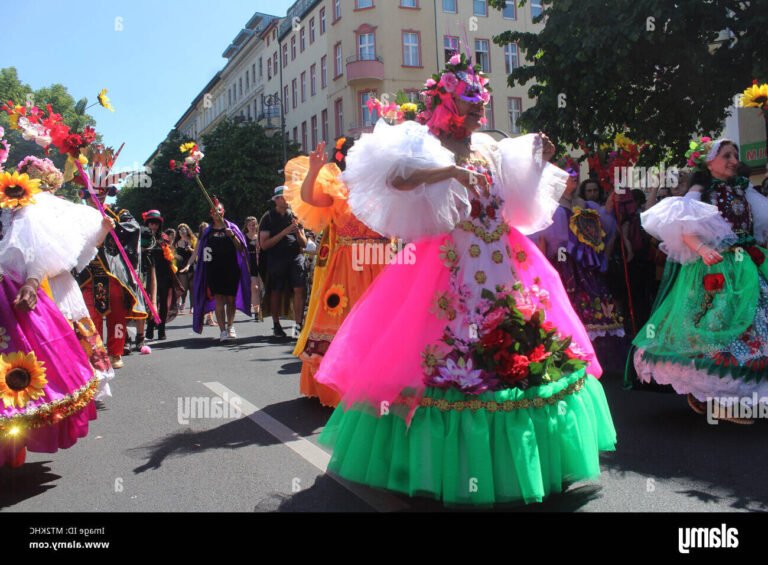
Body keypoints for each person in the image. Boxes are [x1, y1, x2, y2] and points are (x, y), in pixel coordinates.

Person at [313, 54, 616, 505]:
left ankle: (539, 461)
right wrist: (449, 171)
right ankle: (443, 468)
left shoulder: (492, 147)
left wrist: (540, 157)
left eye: (480, 104)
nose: (478, 111)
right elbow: (396, 178)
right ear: (446, 104)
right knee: (443, 356)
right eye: (469, 103)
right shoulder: (425, 144)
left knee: (523, 346)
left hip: (505, 261)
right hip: (446, 267)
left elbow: (519, 199)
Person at [634, 137, 768, 424]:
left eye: (736, 155)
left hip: (746, 266)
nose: (734, 160)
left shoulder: (744, 191)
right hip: (715, 268)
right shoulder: (700, 192)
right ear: (709, 162)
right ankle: (714, 397)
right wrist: (703, 249)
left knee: (755, 326)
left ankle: (738, 397)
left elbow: (761, 222)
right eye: (727, 156)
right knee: (716, 326)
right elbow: (684, 228)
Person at [0, 167, 103, 467]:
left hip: (10, 302)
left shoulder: (15, 202)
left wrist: (31, 284)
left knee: (18, 381)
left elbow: (35, 253)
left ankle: (12, 445)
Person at [284, 137, 391, 406]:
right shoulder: (341, 187)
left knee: (382, 326)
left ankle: (379, 388)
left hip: (383, 264)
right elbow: (309, 197)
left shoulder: (387, 187)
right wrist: (314, 170)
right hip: (347, 269)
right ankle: (340, 387)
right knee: (345, 322)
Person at [535, 161, 626, 372]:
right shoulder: (551, 206)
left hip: (587, 263)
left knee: (597, 303)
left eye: (575, 174)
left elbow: (605, 225)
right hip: (565, 263)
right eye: (568, 175)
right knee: (570, 303)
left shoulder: (586, 204)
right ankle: (568, 353)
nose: (574, 177)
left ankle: (598, 355)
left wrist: (612, 199)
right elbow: (544, 240)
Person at [78, 187, 147, 367]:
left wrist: (115, 227)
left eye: (100, 192)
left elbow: (134, 228)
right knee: (91, 316)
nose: (97, 197)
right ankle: (95, 353)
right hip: (88, 274)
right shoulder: (78, 214)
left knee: (117, 314)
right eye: (93, 193)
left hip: (113, 274)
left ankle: (116, 352)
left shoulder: (118, 212)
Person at [192, 199, 251, 341]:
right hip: (214, 270)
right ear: (210, 214)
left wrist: (232, 236)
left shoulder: (233, 228)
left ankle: (230, 326)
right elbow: (204, 253)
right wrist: (205, 271)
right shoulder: (208, 232)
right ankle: (222, 331)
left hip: (231, 268)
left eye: (219, 210)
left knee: (231, 300)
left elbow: (242, 249)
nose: (217, 213)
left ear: (223, 211)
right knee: (219, 300)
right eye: (214, 211)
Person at [259, 187, 308, 337]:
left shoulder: (294, 216)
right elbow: (264, 244)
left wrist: (298, 232)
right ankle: (276, 325)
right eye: (285, 197)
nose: (288, 199)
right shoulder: (268, 218)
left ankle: (298, 326)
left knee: (299, 289)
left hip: (295, 257)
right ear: (276, 200)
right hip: (276, 258)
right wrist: (284, 232)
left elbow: (304, 243)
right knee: (276, 291)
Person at [142, 210, 177, 341]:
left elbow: (169, 256)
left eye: (156, 224)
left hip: (163, 274)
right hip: (148, 274)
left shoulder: (164, 238)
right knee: (151, 302)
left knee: (163, 303)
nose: (153, 226)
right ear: (147, 224)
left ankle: (161, 329)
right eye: (151, 223)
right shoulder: (142, 237)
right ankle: (150, 327)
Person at [243, 216, 264, 322]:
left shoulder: (260, 236)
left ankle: (261, 309)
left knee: (261, 288)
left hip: (261, 263)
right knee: (254, 288)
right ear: (246, 226)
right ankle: (256, 312)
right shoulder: (243, 237)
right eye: (250, 225)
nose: (252, 227)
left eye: (254, 224)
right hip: (249, 264)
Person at [173, 223, 197, 313]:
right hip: (181, 266)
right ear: (178, 232)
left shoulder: (193, 240)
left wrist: (190, 249)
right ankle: (183, 302)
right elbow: (171, 253)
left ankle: (192, 306)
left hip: (191, 265)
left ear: (187, 231)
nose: (182, 231)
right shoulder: (176, 243)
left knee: (192, 286)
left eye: (184, 230)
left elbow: (197, 252)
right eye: (180, 230)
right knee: (184, 286)